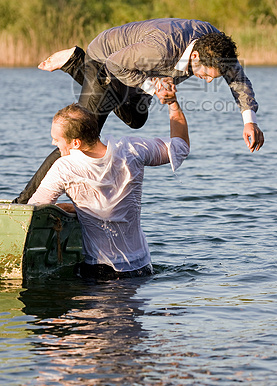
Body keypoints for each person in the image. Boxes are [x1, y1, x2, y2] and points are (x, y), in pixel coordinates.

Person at [15, 18, 263, 204]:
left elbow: (239, 81)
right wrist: (153, 87)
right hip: (106, 59)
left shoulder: (217, 47)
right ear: (195, 55)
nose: (208, 81)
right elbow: (115, 64)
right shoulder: (160, 50)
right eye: (205, 74)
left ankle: (76, 63)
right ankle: (23, 204)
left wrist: (249, 120)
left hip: (135, 65)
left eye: (213, 78)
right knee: (80, 138)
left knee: (136, 118)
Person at [27, 88, 190, 280]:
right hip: (141, 267)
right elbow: (181, 147)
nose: (54, 143)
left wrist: (68, 210)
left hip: (100, 271)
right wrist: (173, 104)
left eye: (57, 139)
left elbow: (32, 210)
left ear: (76, 143)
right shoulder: (131, 149)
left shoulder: (64, 168)